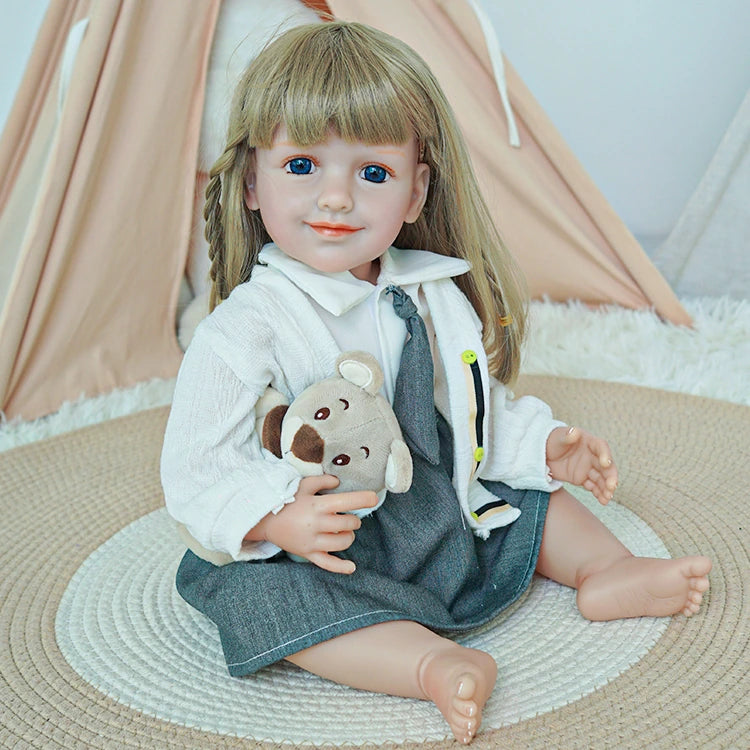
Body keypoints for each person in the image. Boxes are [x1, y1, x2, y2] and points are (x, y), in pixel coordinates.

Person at [161, 21, 711, 745]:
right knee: (264, 599)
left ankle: (607, 569)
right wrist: (273, 519)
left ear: (416, 193)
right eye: (301, 166)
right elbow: (195, 463)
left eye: (373, 173)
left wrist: (546, 446)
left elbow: (472, 411)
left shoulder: (430, 293)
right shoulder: (245, 327)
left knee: (527, 498)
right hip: (330, 531)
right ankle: (428, 664)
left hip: (435, 499)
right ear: (253, 182)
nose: (335, 199)